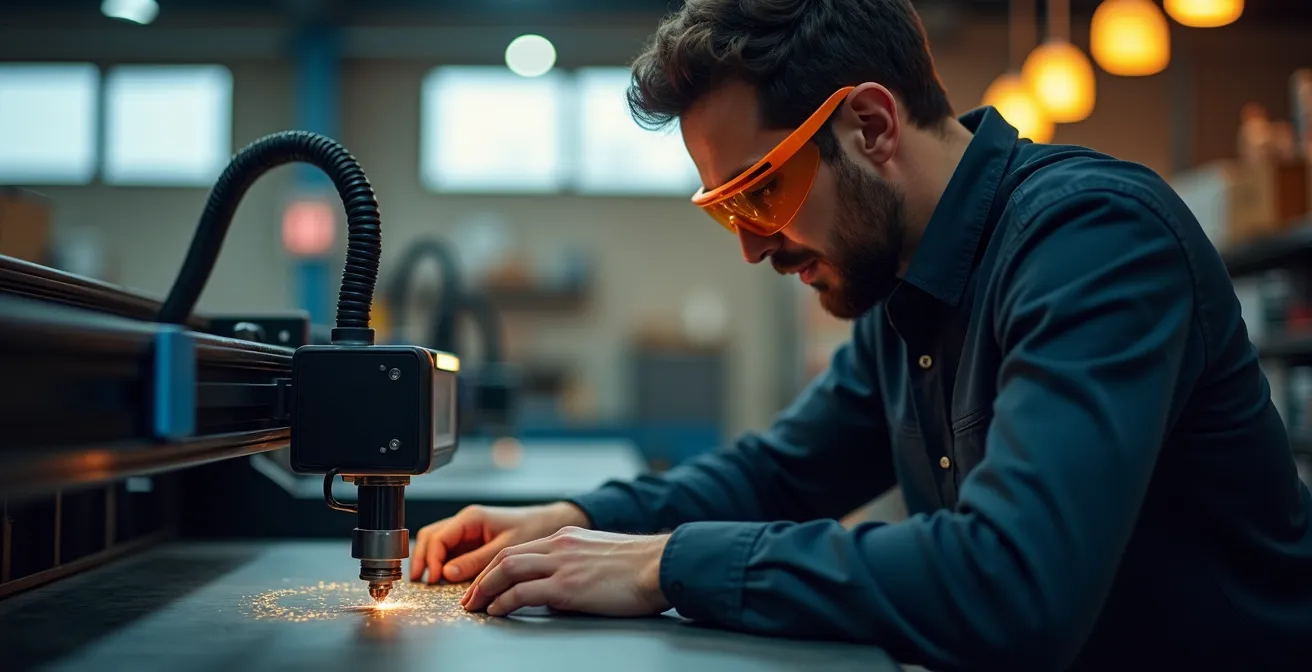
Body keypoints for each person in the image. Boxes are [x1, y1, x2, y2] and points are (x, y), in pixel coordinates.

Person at [410, 0, 1312, 668]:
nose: (752, 246)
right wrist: (578, 522)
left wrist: (666, 565)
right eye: (727, 211)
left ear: (870, 125)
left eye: (761, 192)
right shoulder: (905, 290)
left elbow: (1014, 585)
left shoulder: (1094, 241)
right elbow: (779, 473)